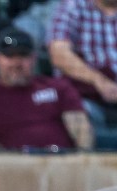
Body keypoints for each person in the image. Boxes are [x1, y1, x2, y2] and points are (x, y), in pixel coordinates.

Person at [0, 27, 93, 151]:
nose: (17, 63)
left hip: (61, 161)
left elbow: (81, 128)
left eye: (23, 55)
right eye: (10, 56)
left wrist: (81, 159)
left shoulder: (58, 87)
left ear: (34, 58)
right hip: (13, 165)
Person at [47, 0, 117, 149]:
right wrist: (100, 81)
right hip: (87, 95)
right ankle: (84, 165)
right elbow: (59, 53)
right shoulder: (73, 6)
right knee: (77, 111)